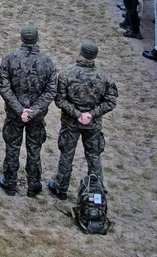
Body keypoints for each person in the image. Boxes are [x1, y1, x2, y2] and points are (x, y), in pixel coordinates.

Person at [47, 41, 118, 199]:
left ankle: (61, 187)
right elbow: (111, 101)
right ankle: (96, 191)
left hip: (70, 123)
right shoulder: (104, 77)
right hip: (93, 125)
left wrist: (78, 114)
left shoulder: (67, 74)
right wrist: (91, 114)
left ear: (80, 54)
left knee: (67, 155)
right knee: (94, 157)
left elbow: (60, 100)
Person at [0, 26, 58, 197]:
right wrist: (33, 111)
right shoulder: (47, 62)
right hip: (36, 117)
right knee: (34, 149)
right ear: (36, 40)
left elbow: (3, 86)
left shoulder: (10, 59)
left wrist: (19, 110)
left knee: (12, 147)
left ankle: (9, 183)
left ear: (22, 39)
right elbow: (51, 90)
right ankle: (33, 185)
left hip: (14, 115)